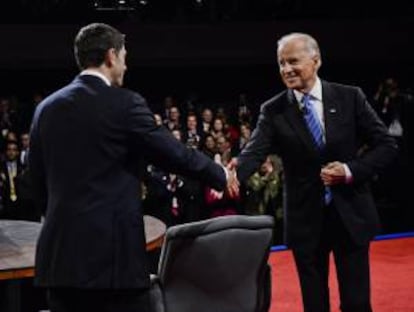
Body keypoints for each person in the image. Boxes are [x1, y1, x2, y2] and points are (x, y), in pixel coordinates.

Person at [28, 23, 235, 312]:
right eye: (124, 57)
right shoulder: (124, 103)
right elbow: (172, 153)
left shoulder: (45, 109)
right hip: (112, 266)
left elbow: (36, 183)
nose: (125, 65)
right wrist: (219, 173)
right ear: (111, 56)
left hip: (60, 263)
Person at [230, 33, 398, 312]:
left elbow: (386, 145)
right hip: (306, 221)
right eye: (281, 63)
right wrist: (231, 174)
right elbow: (253, 152)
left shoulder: (349, 97)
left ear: (316, 60)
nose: (286, 69)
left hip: (351, 215)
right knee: (315, 305)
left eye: (293, 61)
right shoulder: (273, 111)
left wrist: (349, 170)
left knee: (357, 303)